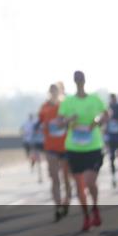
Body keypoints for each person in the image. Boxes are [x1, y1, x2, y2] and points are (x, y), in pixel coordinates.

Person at [57, 71, 108, 232]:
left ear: (85, 80)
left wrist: (97, 120)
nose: (79, 81)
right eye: (77, 79)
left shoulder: (94, 99)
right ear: (74, 81)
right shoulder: (68, 101)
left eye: (81, 79)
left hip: (93, 147)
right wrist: (68, 120)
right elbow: (59, 123)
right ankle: (86, 216)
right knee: (80, 187)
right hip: (74, 148)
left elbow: (105, 115)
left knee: (90, 182)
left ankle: (95, 208)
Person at [39, 83, 71, 221]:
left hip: (65, 147)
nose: (53, 93)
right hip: (50, 147)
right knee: (54, 178)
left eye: (55, 90)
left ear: (60, 92)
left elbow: (71, 122)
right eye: (51, 91)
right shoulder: (44, 107)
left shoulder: (65, 106)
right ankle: (58, 206)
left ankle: (67, 201)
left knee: (66, 178)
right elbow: (40, 123)